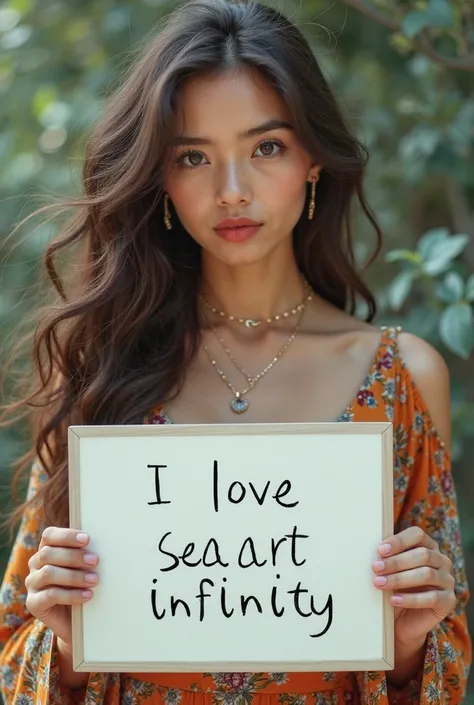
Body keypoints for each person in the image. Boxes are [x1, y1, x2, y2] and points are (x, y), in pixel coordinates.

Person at [0, 0, 471, 702]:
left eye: (267, 147)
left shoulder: (402, 377)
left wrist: (406, 643)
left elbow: (436, 672)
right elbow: (18, 663)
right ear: (160, 176)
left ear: (313, 158)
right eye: (194, 156)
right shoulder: (100, 368)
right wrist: (67, 638)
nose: (231, 191)